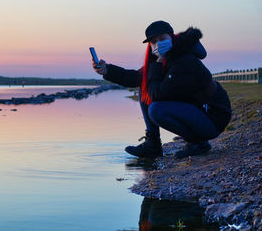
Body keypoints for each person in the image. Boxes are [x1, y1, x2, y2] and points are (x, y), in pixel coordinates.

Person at [92, 20, 232, 159]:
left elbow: (157, 95)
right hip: (199, 111)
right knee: (145, 84)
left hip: (213, 118)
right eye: (153, 41)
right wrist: (107, 70)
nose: (158, 44)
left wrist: (157, 64)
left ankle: (198, 143)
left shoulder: (184, 61)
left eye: (162, 39)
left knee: (157, 109)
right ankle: (152, 144)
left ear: (171, 37)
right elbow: (135, 77)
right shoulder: (168, 59)